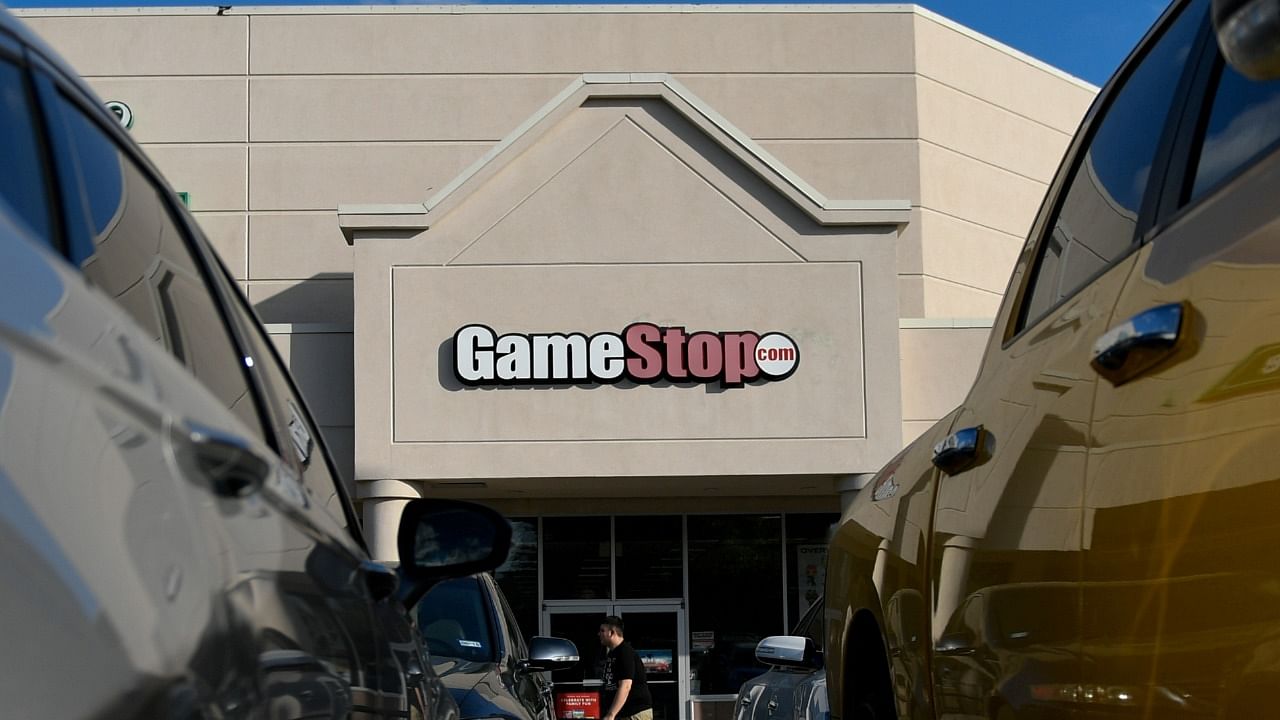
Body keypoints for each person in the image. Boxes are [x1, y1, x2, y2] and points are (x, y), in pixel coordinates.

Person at [596, 616, 653, 720]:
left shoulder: (625, 652)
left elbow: (625, 686)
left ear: (611, 633)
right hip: (623, 714)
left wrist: (611, 714)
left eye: (602, 630)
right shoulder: (612, 654)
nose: (599, 634)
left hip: (635, 713)